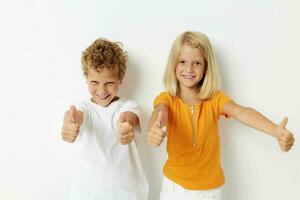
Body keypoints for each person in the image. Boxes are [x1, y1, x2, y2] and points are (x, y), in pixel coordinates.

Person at [147, 31, 295, 200]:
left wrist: (276, 130)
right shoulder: (167, 99)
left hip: (209, 192)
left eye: (196, 63)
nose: (189, 69)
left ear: (206, 68)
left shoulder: (215, 100)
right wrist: (154, 128)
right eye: (182, 62)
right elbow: (159, 112)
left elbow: (242, 112)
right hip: (174, 188)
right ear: (173, 65)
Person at [61, 38, 148, 200]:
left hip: (127, 194)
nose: (102, 90)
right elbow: (76, 116)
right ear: (86, 78)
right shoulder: (84, 108)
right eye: (95, 82)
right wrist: (69, 123)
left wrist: (126, 125)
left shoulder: (128, 106)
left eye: (109, 82)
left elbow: (130, 117)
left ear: (120, 79)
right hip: (86, 194)